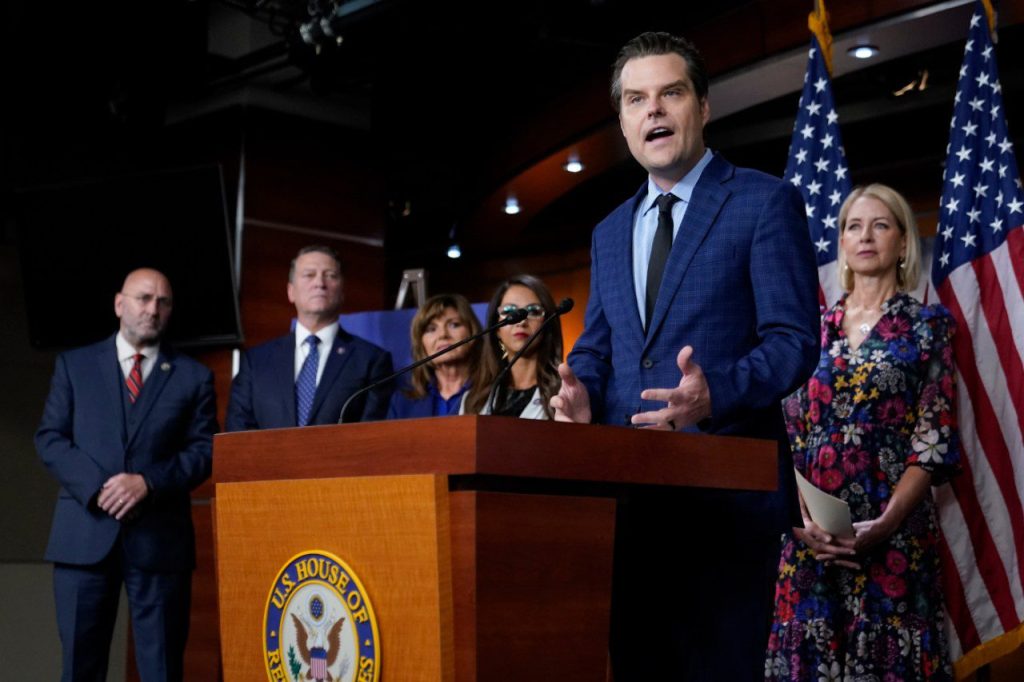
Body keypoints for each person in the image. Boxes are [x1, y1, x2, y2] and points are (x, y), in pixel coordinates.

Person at [550, 32, 820, 680]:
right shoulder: (608, 230)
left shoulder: (763, 201)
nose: (654, 109)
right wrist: (582, 393)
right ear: (623, 122)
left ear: (702, 106)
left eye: (670, 93)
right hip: (627, 504)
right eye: (636, 99)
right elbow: (599, 346)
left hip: (725, 501)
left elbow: (794, 341)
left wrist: (715, 392)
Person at [764, 184, 959, 680]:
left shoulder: (929, 326)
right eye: (854, 226)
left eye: (880, 225)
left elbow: (933, 438)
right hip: (811, 542)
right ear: (842, 244)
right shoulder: (809, 330)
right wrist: (800, 521)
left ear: (903, 242)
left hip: (895, 537)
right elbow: (785, 435)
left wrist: (887, 523)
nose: (866, 236)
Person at [35, 268, 216, 681]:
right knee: (80, 668)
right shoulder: (74, 365)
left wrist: (148, 482)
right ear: (119, 304)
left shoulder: (194, 376)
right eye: (143, 298)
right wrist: (99, 488)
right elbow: (50, 438)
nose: (153, 309)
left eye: (163, 302)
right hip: (84, 537)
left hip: (160, 542)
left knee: (161, 670)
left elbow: (204, 451)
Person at [225, 245, 394, 430]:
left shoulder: (371, 360)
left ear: (342, 291)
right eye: (309, 275)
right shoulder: (256, 361)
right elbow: (237, 434)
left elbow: (370, 435)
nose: (319, 283)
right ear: (290, 291)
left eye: (330, 275)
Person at [463, 274, 563, 419]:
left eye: (533, 311)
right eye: (509, 311)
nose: (521, 322)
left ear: (547, 324)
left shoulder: (563, 394)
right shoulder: (473, 399)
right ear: (496, 328)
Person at [386, 293, 484, 419]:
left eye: (454, 325)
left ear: (472, 331)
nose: (443, 335)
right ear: (421, 344)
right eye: (431, 329)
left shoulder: (493, 393)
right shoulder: (402, 402)